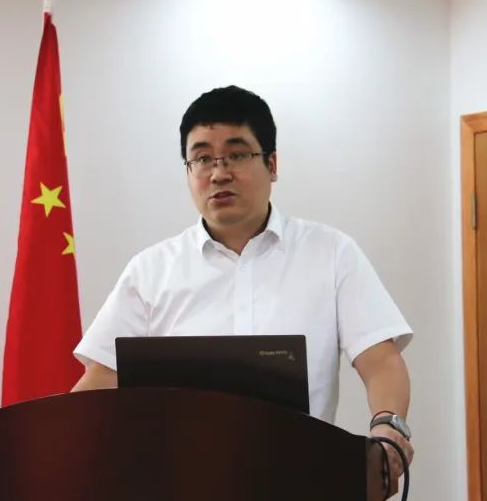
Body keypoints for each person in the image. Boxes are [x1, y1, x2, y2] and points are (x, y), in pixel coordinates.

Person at [71, 85, 414, 484]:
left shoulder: (331, 253)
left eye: (236, 155)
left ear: (271, 164)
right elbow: (102, 378)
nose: (219, 173)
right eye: (202, 159)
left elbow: (381, 361)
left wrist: (388, 426)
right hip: (180, 484)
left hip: (303, 479)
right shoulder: (150, 271)